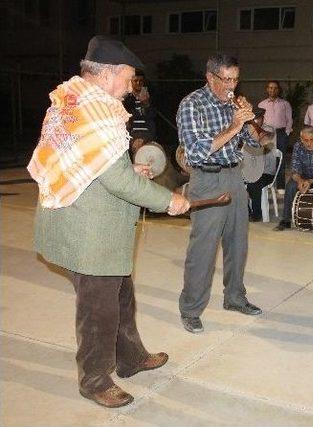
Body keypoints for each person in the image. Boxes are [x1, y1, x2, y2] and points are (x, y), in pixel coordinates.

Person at [27, 36, 191, 408]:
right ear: (110, 74)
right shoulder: (98, 114)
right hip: (89, 231)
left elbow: (93, 163)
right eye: (129, 78)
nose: (131, 87)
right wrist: (170, 200)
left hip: (79, 220)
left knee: (121, 296)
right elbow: (117, 182)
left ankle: (130, 358)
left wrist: (125, 166)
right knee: (98, 311)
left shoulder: (73, 101)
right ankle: (95, 379)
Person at [177, 53, 266, 334]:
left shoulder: (233, 104)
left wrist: (250, 122)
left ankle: (235, 298)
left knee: (238, 244)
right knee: (203, 249)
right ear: (210, 77)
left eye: (235, 79)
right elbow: (196, 151)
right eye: (226, 79)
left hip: (234, 177)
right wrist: (234, 126)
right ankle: (191, 309)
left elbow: (256, 143)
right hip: (207, 179)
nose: (231, 85)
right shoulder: (192, 104)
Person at [273, 126, 313, 235]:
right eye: (306, 140)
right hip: (304, 178)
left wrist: (310, 181)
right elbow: (295, 170)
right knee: (290, 186)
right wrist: (300, 181)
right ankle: (286, 220)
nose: (309, 143)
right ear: (301, 139)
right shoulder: (298, 146)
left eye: (312, 140)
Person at [242, 109, 278, 222]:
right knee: (234, 182)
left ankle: (257, 214)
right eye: (253, 119)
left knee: (254, 184)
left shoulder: (268, 129)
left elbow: (263, 144)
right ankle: (246, 211)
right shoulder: (246, 129)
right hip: (250, 168)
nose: (255, 121)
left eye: (258, 118)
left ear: (262, 118)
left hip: (266, 170)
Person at [257, 80, 292, 192]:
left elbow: (289, 119)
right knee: (267, 159)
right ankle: (266, 184)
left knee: (280, 159)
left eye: (275, 88)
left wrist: (286, 133)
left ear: (278, 90)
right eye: (270, 87)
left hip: (281, 133)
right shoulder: (261, 104)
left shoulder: (285, 104)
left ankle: (281, 186)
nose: (272, 90)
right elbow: (258, 120)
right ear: (267, 89)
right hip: (266, 134)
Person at [122, 70, 156, 153]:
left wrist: (146, 104)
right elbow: (125, 116)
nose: (138, 83)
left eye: (141, 81)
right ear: (131, 82)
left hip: (147, 133)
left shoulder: (150, 96)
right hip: (132, 133)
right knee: (137, 150)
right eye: (135, 81)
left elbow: (153, 117)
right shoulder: (126, 98)